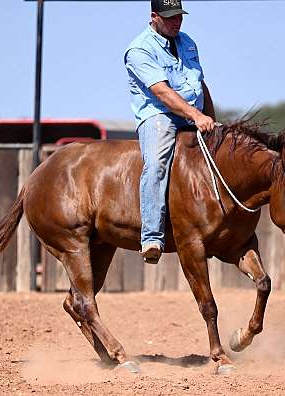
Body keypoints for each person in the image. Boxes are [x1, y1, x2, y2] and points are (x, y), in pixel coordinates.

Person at [124, 0, 216, 264]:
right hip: (159, 116)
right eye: (170, 17)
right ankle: (151, 236)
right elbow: (162, 92)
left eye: (179, 16)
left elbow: (200, 84)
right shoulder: (139, 49)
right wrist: (196, 115)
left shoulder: (188, 42)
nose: (176, 22)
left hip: (193, 115)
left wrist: (211, 120)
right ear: (154, 17)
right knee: (155, 164)